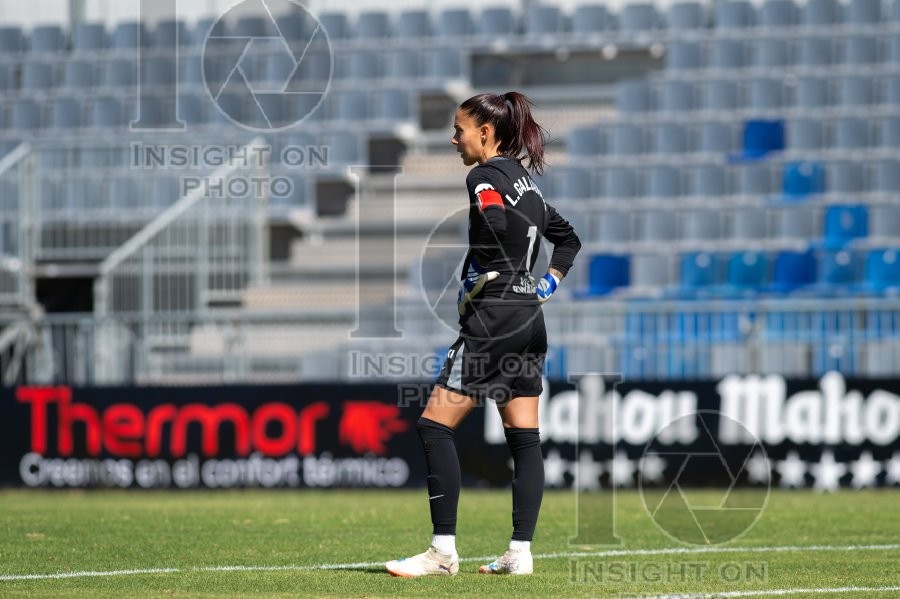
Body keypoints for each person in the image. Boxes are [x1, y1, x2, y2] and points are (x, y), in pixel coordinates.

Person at [385, 92, 581, 578]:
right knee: (524, 438)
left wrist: (486, 272)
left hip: (493, 319)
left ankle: (442, 553)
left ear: (485, 134)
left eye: (459, 130)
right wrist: (543, 282)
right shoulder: (530, 188)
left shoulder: (483, 176)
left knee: (434, 426)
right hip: (529, 318)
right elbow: (569, 240)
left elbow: (492, 218)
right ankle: (519, 553)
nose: (454, 139)